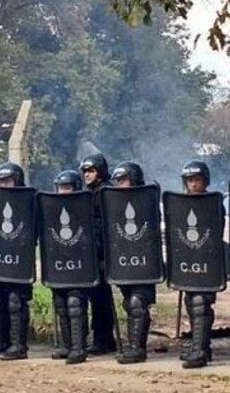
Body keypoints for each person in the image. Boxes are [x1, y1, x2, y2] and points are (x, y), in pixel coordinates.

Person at [0, 162, 33, 360]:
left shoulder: (28, 200)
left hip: (19, 260)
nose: (4, 185)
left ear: (17, 181)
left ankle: (19, 346)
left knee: (15, 301)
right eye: (0, 181)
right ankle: (1, 341)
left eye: (8, 181)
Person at [109, 162, 156, 364]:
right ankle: (132, 347)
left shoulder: (147, 199)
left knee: (138, 302)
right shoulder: (113, 202)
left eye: (123, 180)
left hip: (145, 260)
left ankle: (138, 349)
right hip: (124, 261)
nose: (119, 184)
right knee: (129, 303)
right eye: (117, 181)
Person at [179, 160, 219, 369]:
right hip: (187, 261)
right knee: (190, 301)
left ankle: (200, 351)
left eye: (197, 179)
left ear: (206, 181)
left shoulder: (213, 201)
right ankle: (199, 345)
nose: (193, 184)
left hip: (208, 260)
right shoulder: (180, 204)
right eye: (190, 180)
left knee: (201, 302)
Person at [50, 170, 90, 364]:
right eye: (60, 188)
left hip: (80, 264)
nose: (63, 192)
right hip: (59, 265)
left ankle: (79, 347)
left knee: (75, 303)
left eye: (67, 188)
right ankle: (67, 345)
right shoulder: (52, 210)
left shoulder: (86, 208)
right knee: (61, 304)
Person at [79, 153, 118, 354]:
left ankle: (104, 339)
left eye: (91, 171)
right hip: (93, 253)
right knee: (96, 297)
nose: (87, 175)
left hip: (105, 253)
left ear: (100, 172)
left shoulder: (106, 192)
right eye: (85, 171)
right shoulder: (90, 192)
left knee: (101, 297)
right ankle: (101, 338)